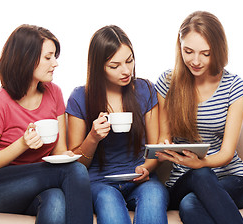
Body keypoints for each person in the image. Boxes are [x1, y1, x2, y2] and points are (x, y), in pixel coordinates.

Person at [0, 24, 93, 224]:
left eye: (55, 56)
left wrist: (67, 156)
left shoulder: (54, 93)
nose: (55, 63)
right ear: (26, 58)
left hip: (37, 189)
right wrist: (22, 144)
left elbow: (58, 151)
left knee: (55, 200)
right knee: (76, 171)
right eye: (48, 57)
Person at [155, 11, 243, 224]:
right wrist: (163, 149)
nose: (195, 61)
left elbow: (227, 152)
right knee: (198, 177)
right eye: (188, 51)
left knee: (191, 205)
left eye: (205, 54)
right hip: (182, 180)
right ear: (179, 47)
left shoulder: (235, 87)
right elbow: (164, 137)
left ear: (217, 50)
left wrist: (202, 163)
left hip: (231, 178)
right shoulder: (167, 82)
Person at [66, 25, 169, 224]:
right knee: (108, 201)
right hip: (99, 182)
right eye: (115, 66)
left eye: (129, 61)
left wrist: (146, 168)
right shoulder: (80, 97)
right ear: (98, 67)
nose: (126, 70)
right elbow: (76, 166)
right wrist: (93, 138)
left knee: (154, 196)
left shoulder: (145, 89)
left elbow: (155, 149)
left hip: (140, 178)